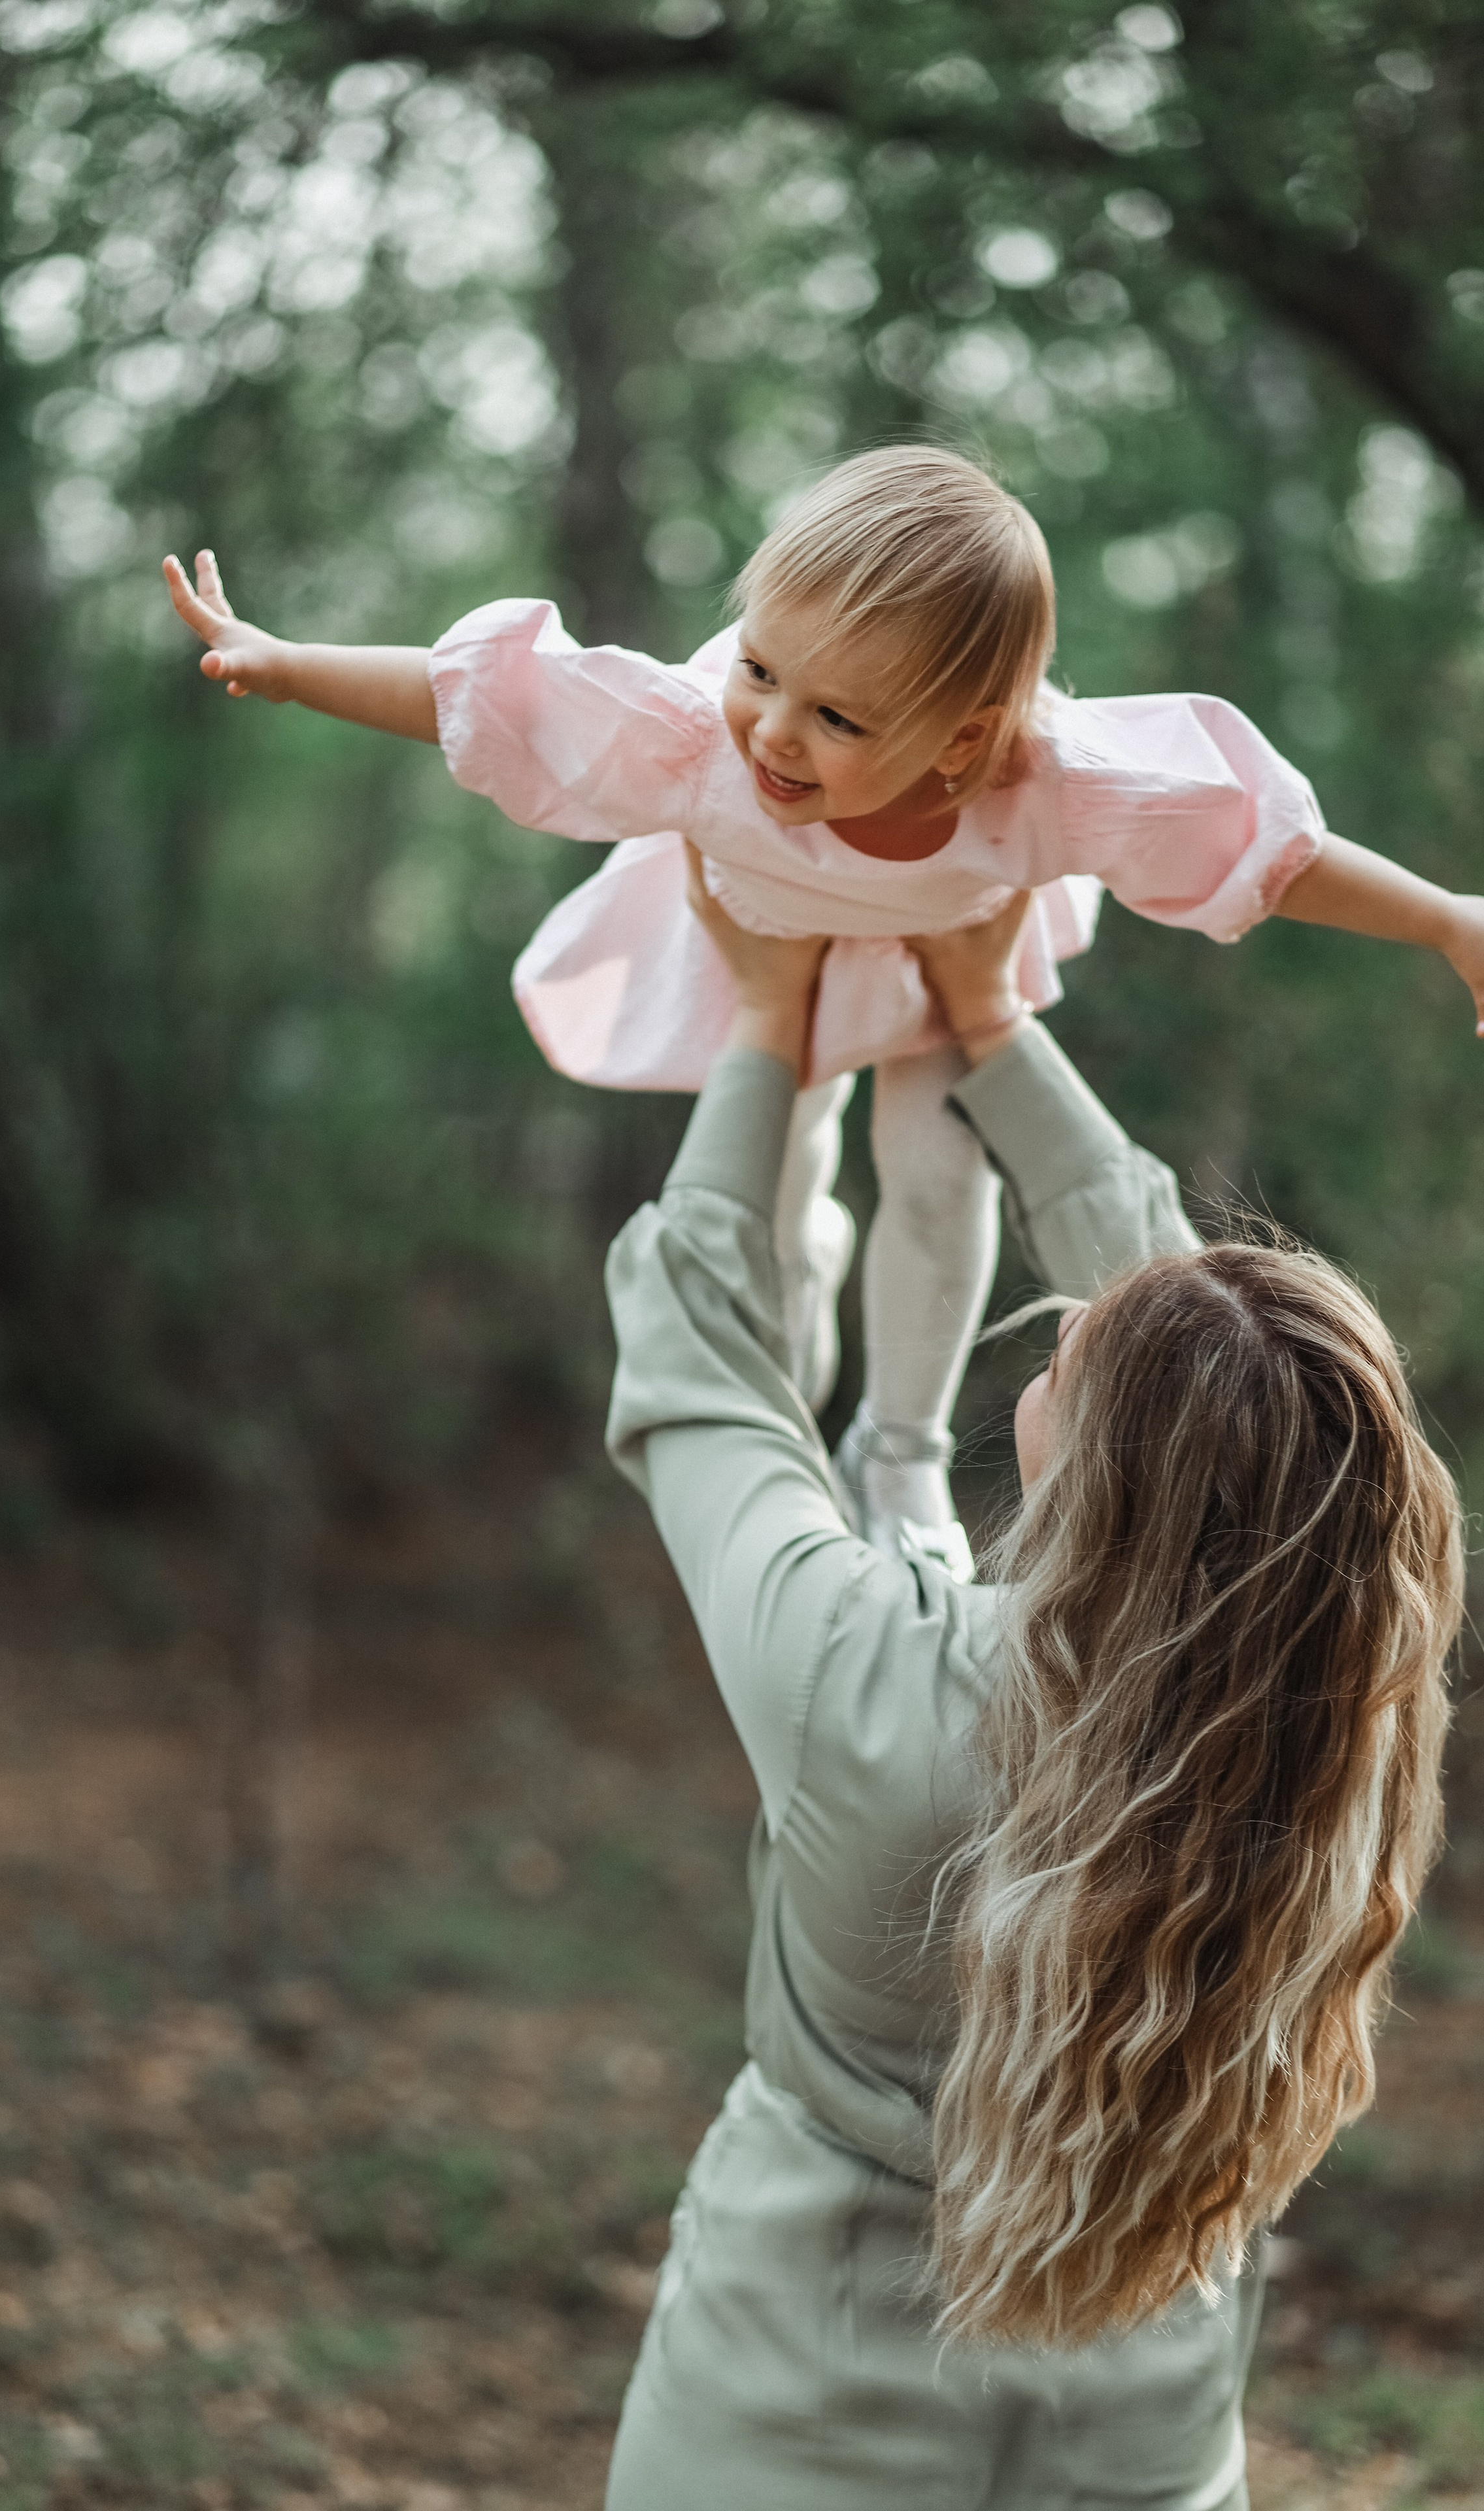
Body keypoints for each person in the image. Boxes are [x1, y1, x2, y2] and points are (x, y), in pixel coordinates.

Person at [161, 446, 1484, 1571]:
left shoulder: (1050, 782)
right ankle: (785, 1385)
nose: (772, 732)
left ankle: (897, 1447)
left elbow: (1253, 845)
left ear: (964, 738)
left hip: (938, 973)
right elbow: (504, 701)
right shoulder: (698, 739)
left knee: (937, 1167)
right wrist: (288, 663)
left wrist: (1441, 919)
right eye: (758, 669)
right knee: (780, 1176)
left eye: (836, 717)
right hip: (770, 957)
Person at [595, 861, 1461, 2511]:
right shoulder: (1344, 1734)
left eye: (1073, 1354)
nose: (1057, 1339)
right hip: (1141, 2437)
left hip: (789, 2417)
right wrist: (989, 1022)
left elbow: (698, 1353)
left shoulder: (871, 1680)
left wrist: (765, 1028)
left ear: (1102, 1469)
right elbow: (1237, 1409)